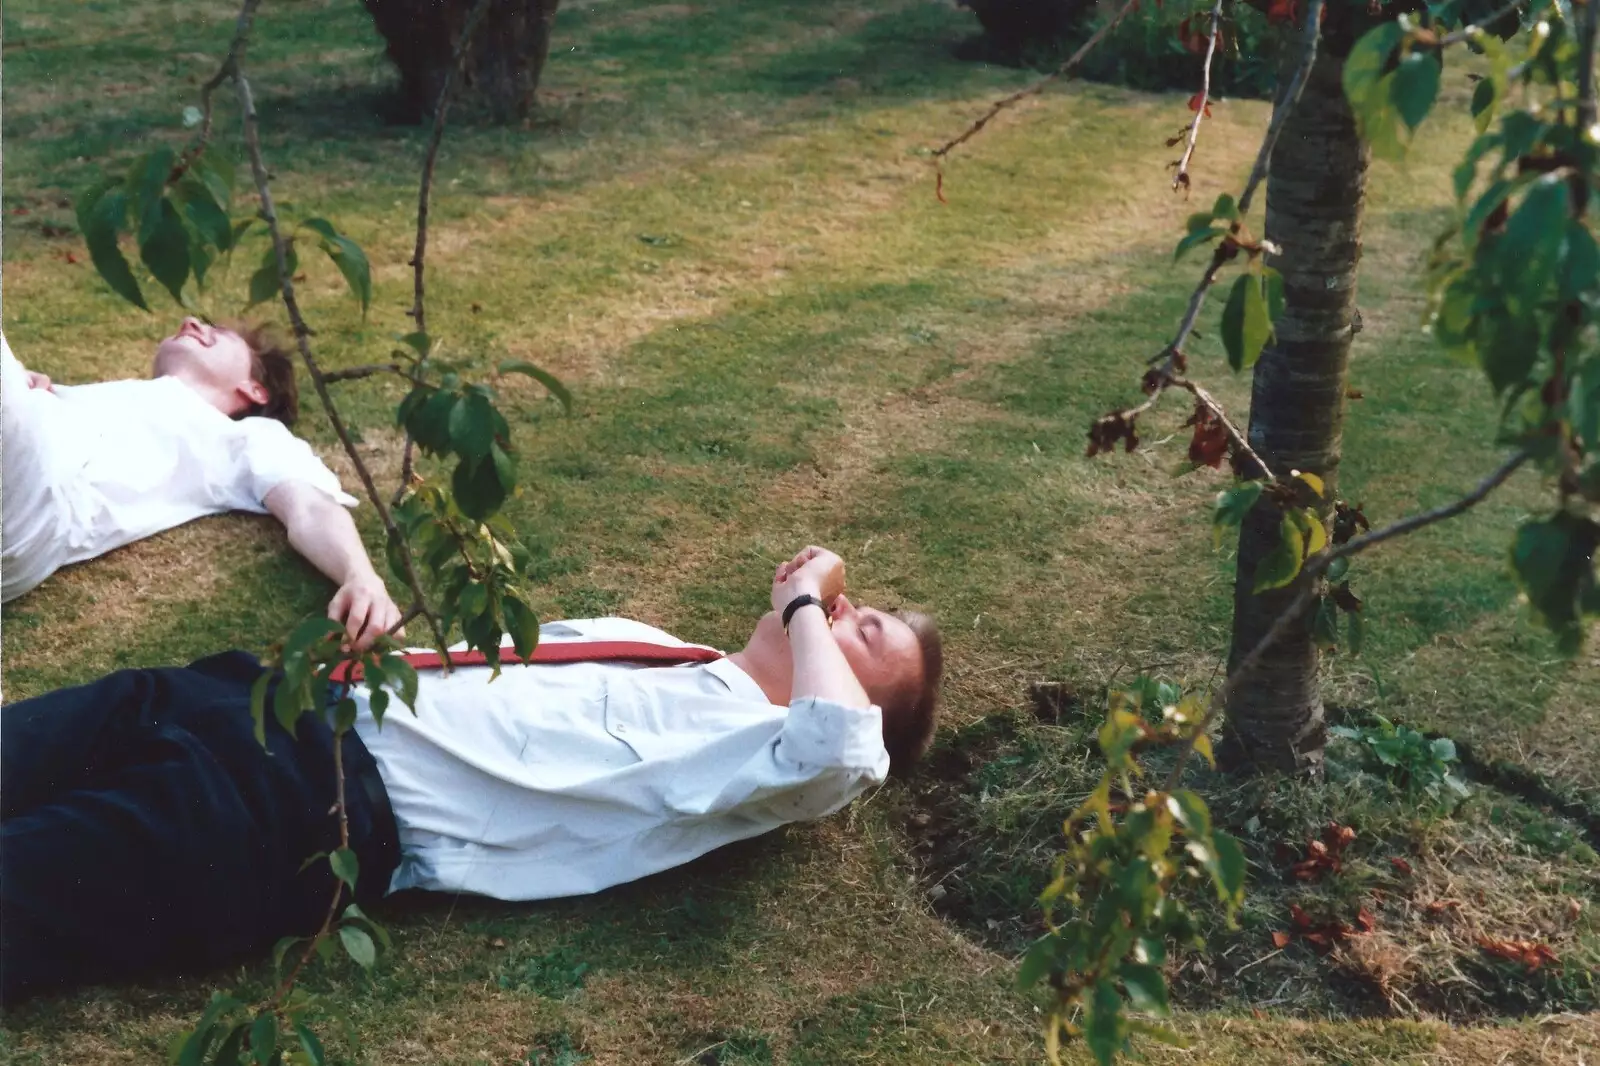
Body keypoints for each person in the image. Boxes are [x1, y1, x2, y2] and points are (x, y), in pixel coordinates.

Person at [0, 546, 943, 1002]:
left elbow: (839, 755)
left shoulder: (763, 759)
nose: (841, 609)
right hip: (252, 696)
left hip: (295, 811)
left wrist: (805, 611)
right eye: (854, 608)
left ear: (857, 695)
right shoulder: (654, 644)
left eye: (866, 632)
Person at [1, 318, 401, 650]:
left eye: (217, 333)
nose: (191, 322)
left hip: (40, 503)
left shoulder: (244, 436)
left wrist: (360, 576)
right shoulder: (123, 397)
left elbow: (310, 507)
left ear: (253, 388)